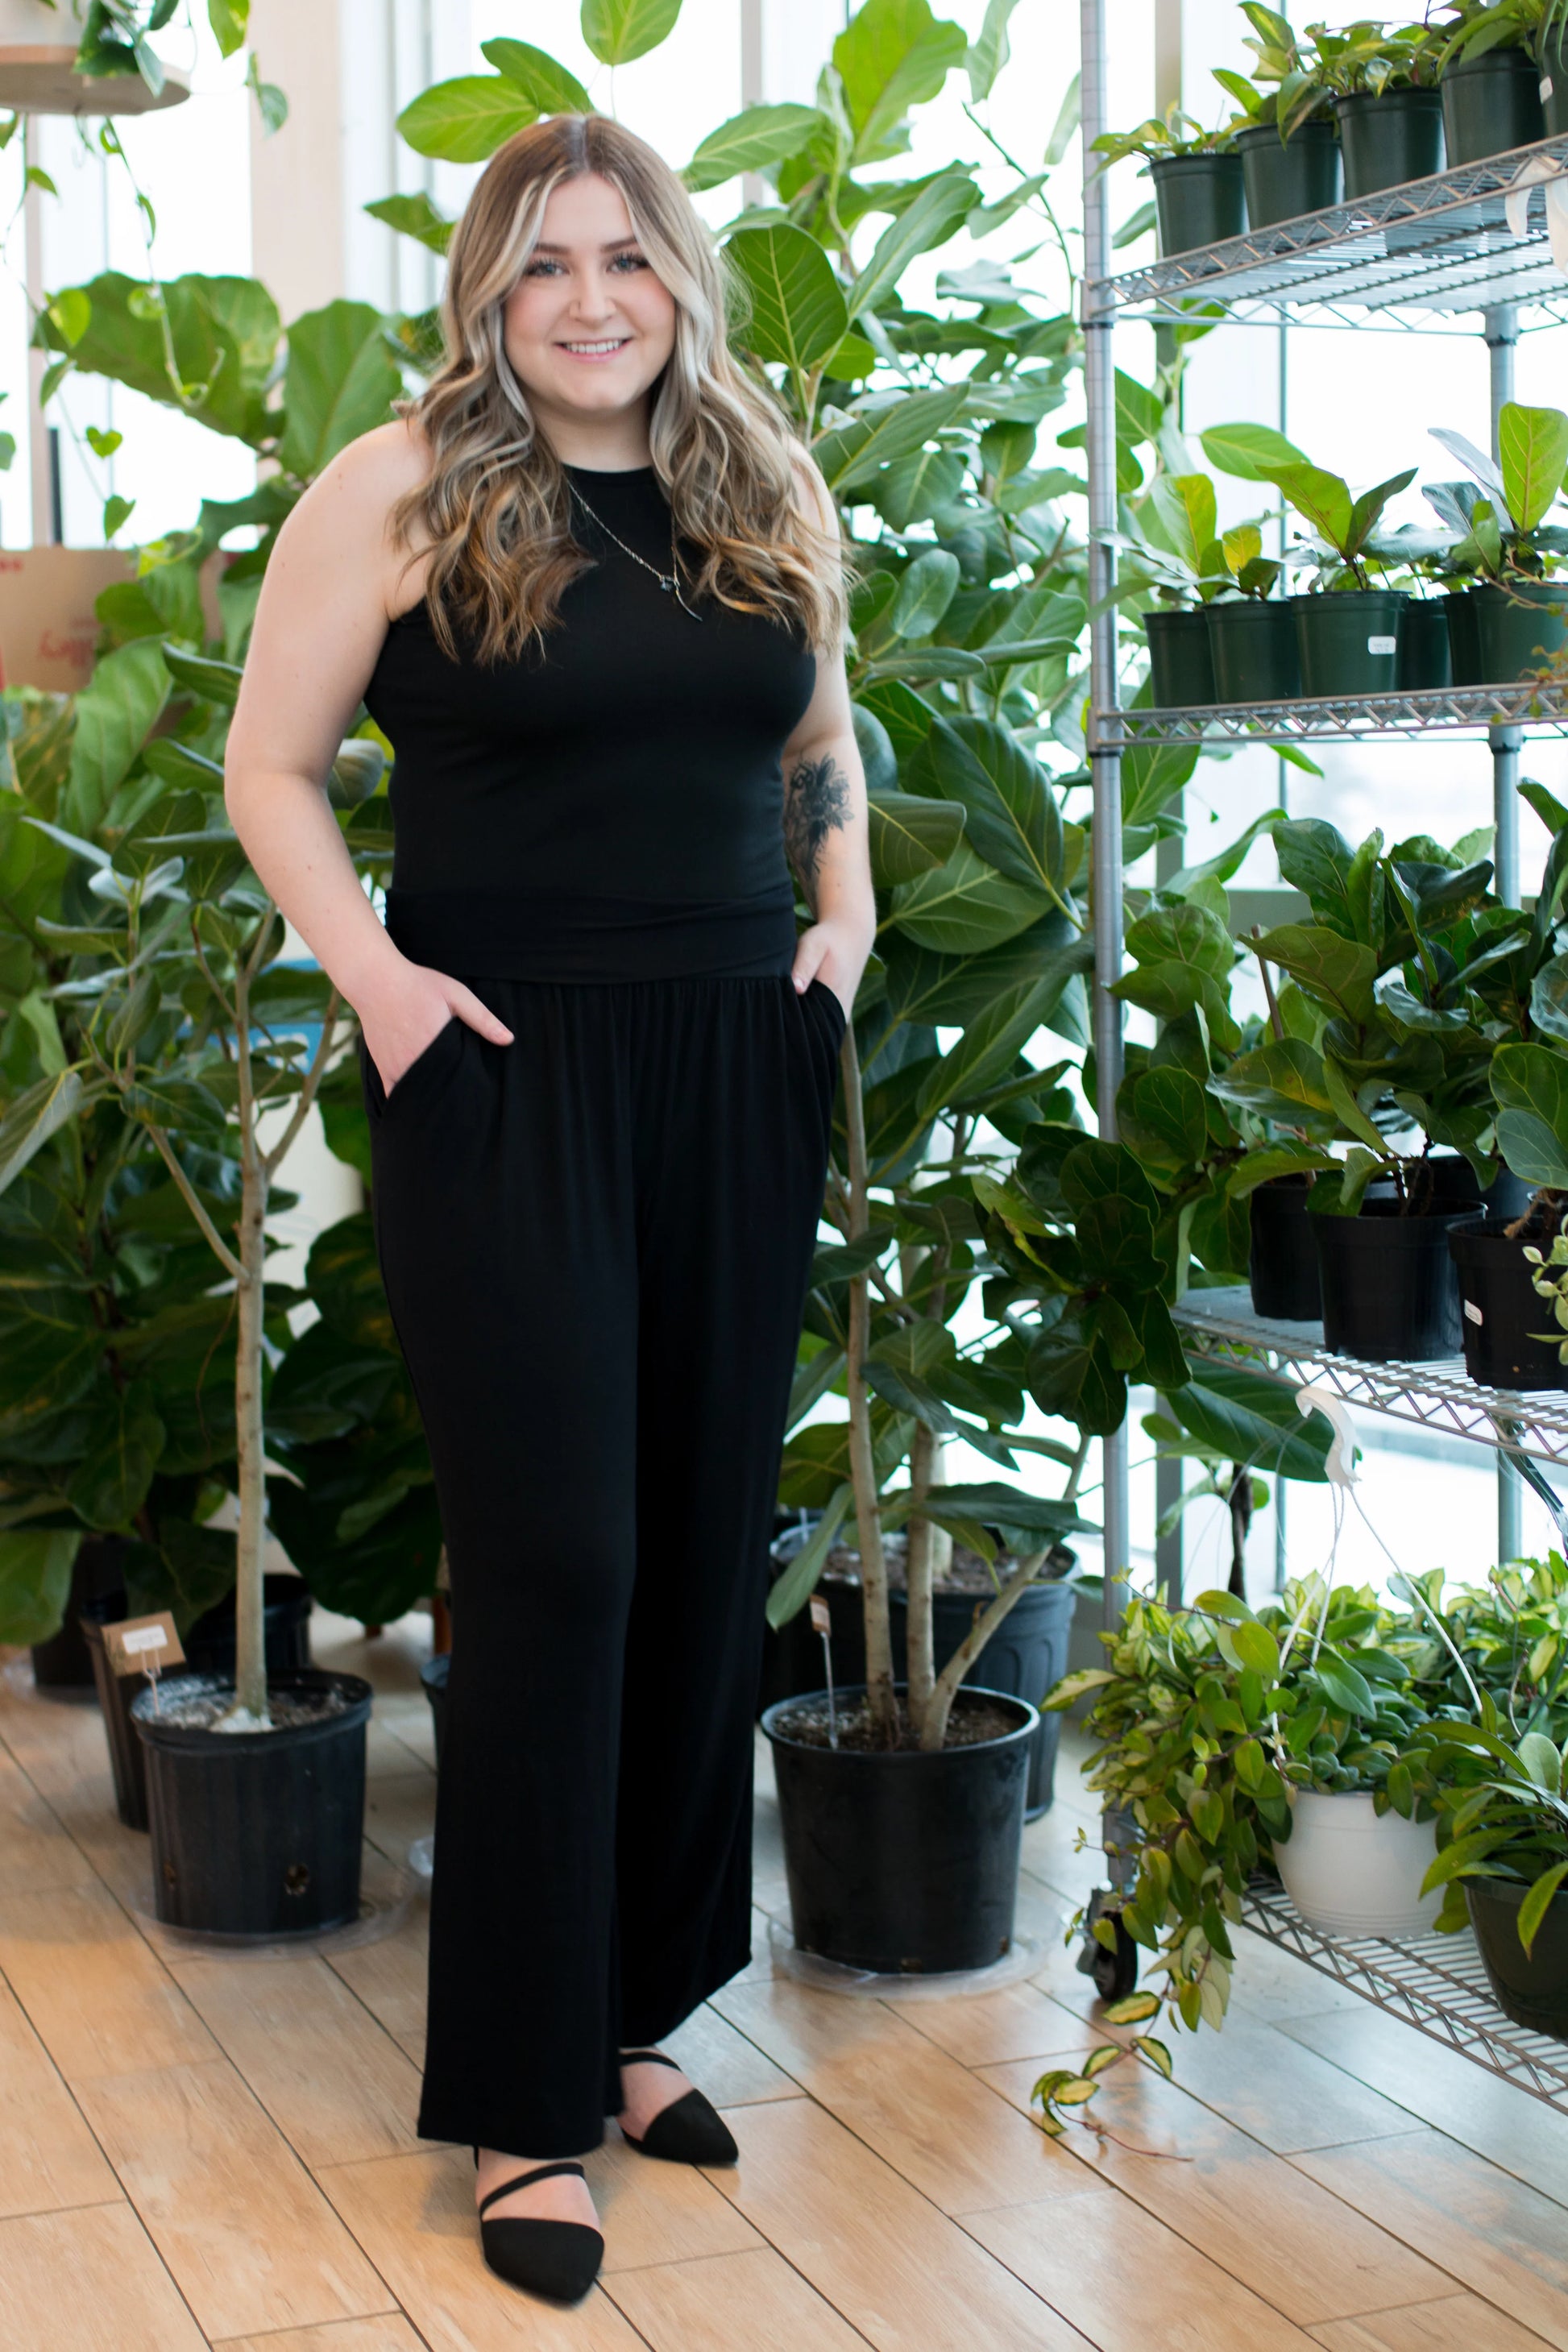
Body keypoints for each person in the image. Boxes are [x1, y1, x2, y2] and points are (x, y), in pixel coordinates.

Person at [223, 111, 873, 2304]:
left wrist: (844, 918)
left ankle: (624, 2026)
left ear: (674, 275)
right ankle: (520, 2100)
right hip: (505, 1076)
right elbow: (268, 768)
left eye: (624, 257)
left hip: (730, 1062)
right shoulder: (402, 485)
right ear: (489, 299)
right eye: (541, 266)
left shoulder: (748, 480)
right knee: (561, 1560)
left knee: (700, 1546)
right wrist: (386, 990)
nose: (590, 299)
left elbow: (815, 729)